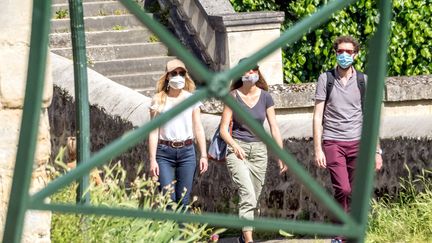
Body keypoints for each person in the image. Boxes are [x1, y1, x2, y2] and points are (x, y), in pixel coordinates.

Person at [312, 36, 383, 242]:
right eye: (340, 51)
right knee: (342, 188)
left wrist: (377, 151)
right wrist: (318, 149)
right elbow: (317, 116)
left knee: (354, 192)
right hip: (333, 141)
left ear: (356, 54)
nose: (344, 55)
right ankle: (338, 232)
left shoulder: (363, 81)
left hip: (358, 143)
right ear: (335, 53)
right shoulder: (326, 79)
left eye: (348, 52)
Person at [219, 58, 288, 243]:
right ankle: (249, 240)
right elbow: (223, 129)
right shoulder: (232, 97)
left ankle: (242, 237)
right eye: (246, 71)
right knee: (247, 193)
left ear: (257, 72)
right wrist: (234, 146)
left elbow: (274, 127)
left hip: (259, 151)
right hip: (237, 149)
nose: (250, 74)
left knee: (254, 197)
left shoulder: (266, 97)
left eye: (253, 70)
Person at [148, 58, 208, 208]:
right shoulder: (159, 100)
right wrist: (152, 159)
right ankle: (171, 231)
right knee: (167, 199)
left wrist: (204, 155)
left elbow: (198, 127)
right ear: (167, 76)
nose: (178, 76)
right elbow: (154, 132)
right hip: (164, 153)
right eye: (174, 73)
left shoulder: (192, 99)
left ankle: (181, 232)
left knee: (184, 200)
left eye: (181, 73)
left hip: (187, 152)